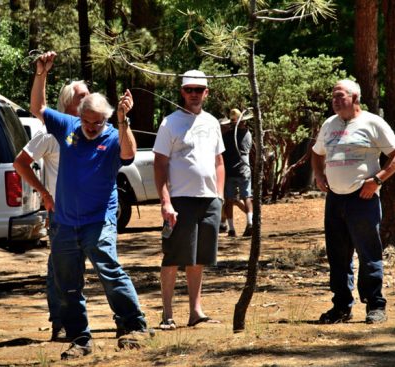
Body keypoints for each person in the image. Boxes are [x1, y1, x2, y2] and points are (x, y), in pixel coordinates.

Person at [30, 51, 151, 359]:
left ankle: (133, 326)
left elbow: (128, 155)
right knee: (67, 283)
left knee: (109, 268)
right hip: (66, 222)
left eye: (99, 123)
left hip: (99, 219)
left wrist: (123, 122)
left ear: (106, 120)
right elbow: (38, 108)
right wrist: (42, 74)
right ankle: (79, 339)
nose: (93, 127)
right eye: (88, 122)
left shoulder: (112, 135)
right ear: (79, 115)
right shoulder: (68, 127)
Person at [311, 79, 395, 324]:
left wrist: (377, 180)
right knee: (338, 255)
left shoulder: (372, 123)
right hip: (335, 199)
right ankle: (341, 306)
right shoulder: (329, 125)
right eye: (333, 96)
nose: (334, 100)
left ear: (355, 98)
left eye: (340, 95)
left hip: (363, 199)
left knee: (368, 253)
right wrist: (319, 175)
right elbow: (316, 152)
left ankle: (375, 305)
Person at [13, 80, 89, 341]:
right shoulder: (50, 133)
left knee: (79, 270)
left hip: (88, 214)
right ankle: (61, 323)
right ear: (68, 103)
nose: (88, 100)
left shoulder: (91, 131)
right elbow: (20, 163)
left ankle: (77, 322)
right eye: (82, 97)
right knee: (59, 270)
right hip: (61, 213)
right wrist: (44, 193)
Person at [153, 70, 225, 330]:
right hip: (179, 200)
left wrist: (219, 195)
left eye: (199, 90)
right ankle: (167, 314)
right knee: (173, 257)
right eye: (189, 90)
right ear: (182, 92)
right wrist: (165, 201)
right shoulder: (169, 123)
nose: (194, 94)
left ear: (206, 92)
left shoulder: (212, 122)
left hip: (209, 200)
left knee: (198, 258)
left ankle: (196, 311)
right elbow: (159, 163)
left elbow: (219, 161)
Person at [220, 108, 253, 237]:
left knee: (229, 200)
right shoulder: (247, 133)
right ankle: (249, 223)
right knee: (247, 197)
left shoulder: (227, 135)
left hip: (231, 171)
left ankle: (232, 229)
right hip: (244, 170)